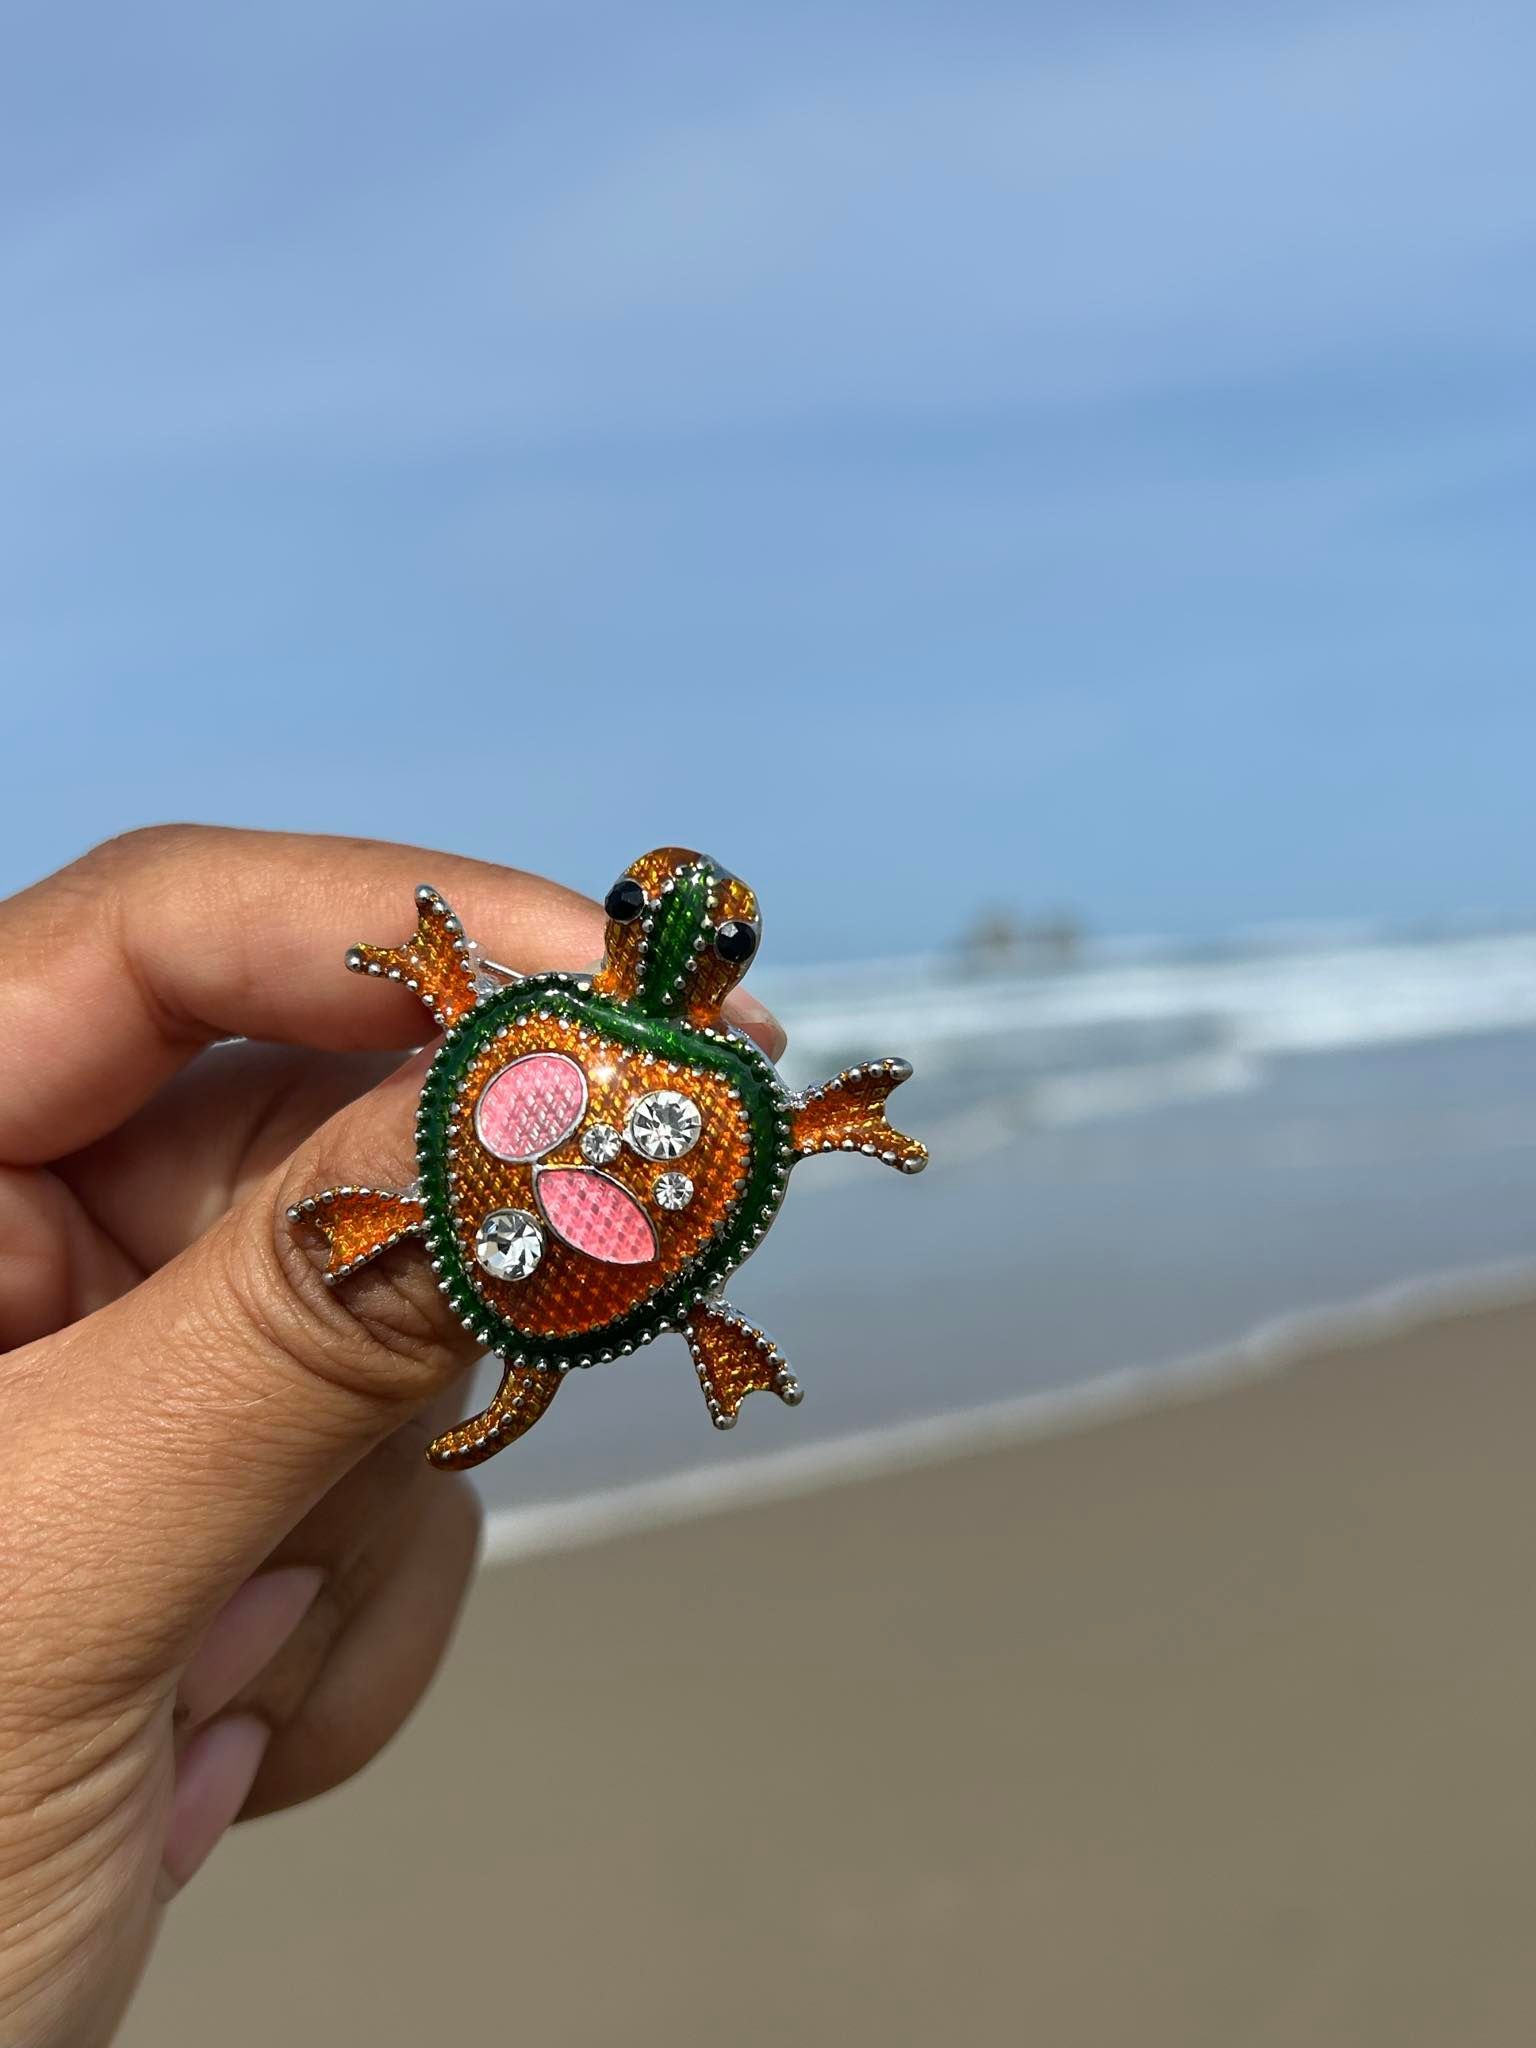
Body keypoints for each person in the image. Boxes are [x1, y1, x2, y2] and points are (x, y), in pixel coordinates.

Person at [0, 826, 783, 2047]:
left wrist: (447, 972)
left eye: (719, 936)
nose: (679, 932)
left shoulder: (695, 1083)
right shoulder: (725, 1087)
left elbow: (489, 1033)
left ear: (720, 954)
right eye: (651, 904)